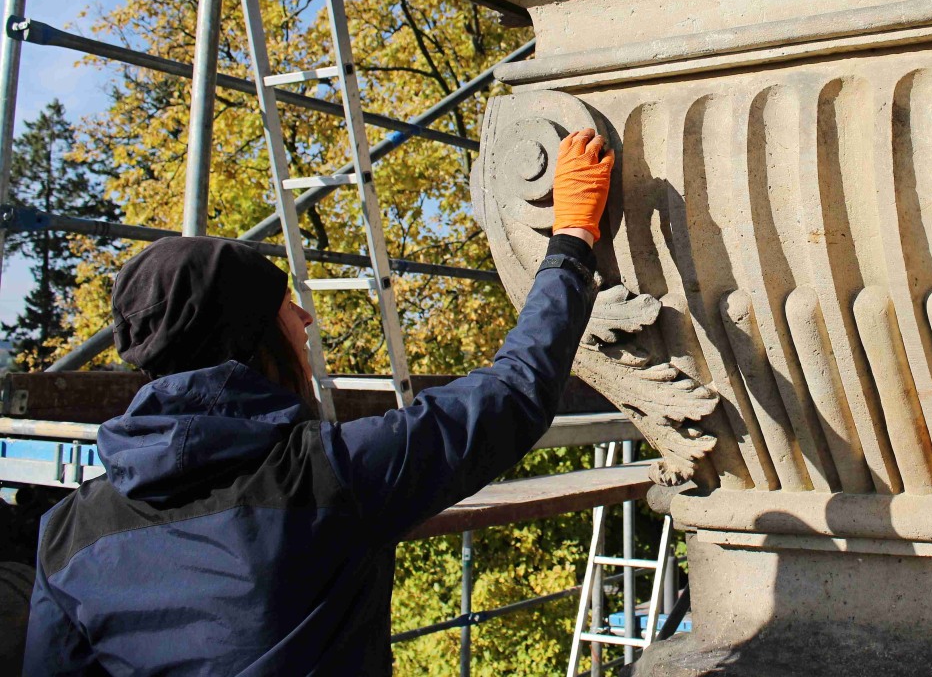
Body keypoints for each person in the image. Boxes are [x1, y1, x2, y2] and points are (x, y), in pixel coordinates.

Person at [21, 128, 615, 675]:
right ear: (251, 338)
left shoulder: (65, 534)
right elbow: (512, 394)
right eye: (284, 306)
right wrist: (572, 241)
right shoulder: (328, 477)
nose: (305, 317)